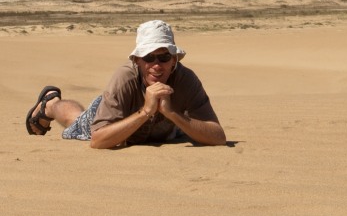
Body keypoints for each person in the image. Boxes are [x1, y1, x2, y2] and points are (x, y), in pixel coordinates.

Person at [24, 20, 226, 149]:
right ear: (137, 60)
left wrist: (171, 112)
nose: (156, 65)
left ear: (174, 60)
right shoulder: (125, 78)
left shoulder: (186, 80)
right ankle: (50, 104)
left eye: (164, 57)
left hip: (163, 129)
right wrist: (146, 111)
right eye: (149, 57)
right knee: (76, 121)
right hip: (114, 116)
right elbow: (98, 140)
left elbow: (218, 136)